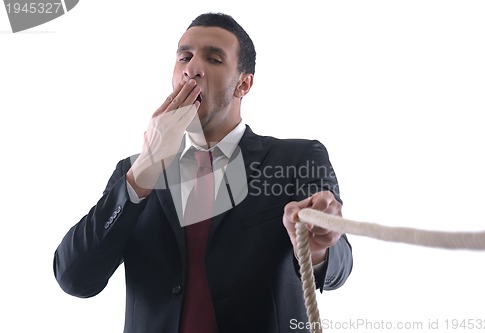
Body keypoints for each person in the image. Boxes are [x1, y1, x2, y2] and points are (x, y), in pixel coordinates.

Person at [53, 12, 353, 333]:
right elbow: (75, 278)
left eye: (213, 58)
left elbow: (337, 271)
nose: (192, 68)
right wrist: (145, 167)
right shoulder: (133, 174)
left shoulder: (297, 158)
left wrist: (319, 245)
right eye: (185, 56)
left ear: (244, 83)